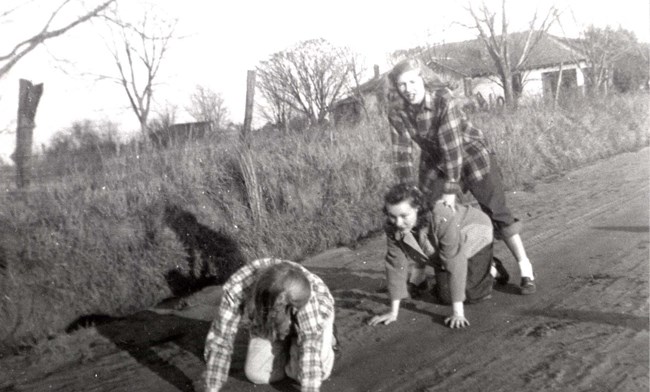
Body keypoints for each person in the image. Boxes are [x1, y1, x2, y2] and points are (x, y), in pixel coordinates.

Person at [385, 58, 536, 295]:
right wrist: (406, 193)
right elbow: (401, 154)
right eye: (402, 85)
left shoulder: (444, 100)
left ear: (421, 78)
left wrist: (450, 191)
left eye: (412, 82)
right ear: (396, 86)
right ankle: (421, 273)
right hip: (435, 160)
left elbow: (452, 149)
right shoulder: (396, 111)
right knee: (425, 213)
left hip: (469, 153)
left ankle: (525, 267)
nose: (408, 90)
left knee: (496, 211)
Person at [369, 184, 509, 328]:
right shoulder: (392, 226)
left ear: (417, 208)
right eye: (392, 216)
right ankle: (478, 269)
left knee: (473, 294)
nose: (398, 223)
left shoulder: (441, 215)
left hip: (473, 232)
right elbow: (396, 265)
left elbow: (454, 260)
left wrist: (458, 313)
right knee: (446, 296)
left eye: (404, 216)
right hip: (444, 247)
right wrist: (393, 313)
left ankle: (492, 267)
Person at [199, 257, 337, 392]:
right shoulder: (236, 288)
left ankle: (325, 336)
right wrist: (212, 387)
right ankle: (288, 341)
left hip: (315, 315)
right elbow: (221, 340)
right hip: (268, 317)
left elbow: (310, 342)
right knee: (257, 374)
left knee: (306, 374)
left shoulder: (303, 291)